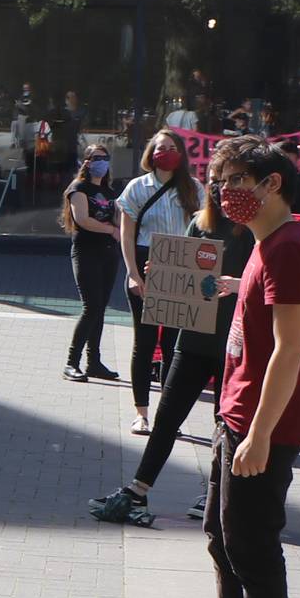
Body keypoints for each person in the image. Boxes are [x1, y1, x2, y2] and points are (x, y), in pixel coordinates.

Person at [164, 136, 300, 598]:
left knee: (253, 546)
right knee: (221, 534)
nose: (224, 192)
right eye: (220, 181)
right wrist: (241, 289)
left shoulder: (288, 249)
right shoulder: (266, 243)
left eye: (235, 180)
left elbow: (291, 350)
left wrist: (258, 435)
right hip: (236, 412)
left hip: (264, 425)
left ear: (271, 183)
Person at [93, 180, 254, 528]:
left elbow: (268, 280)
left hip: (232, 342)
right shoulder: (201, 223)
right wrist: (163, 274)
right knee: (166, 418)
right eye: (214, 179)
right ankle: (138, 488)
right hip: (193, 338)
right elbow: (188, 275)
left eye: (228, 180)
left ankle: (214, 494)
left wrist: (237, 284)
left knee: (223, 423)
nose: (220, 187)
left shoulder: (255, 231)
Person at [117, 130, 201, 434]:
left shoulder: (194, 189)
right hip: (144, 261)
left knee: (172, 345)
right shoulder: (137, 188)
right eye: (160, 147)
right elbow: (126, 234)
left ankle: (168, 416)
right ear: (151, 152)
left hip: (180, 265)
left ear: (181, 154)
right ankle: (141, 413)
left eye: (171, 147)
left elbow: (205, 230)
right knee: (145, 341)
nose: (165, 152)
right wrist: (132, 272)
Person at [60, 145, 124, 383]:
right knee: (91, 307)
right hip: (86, 253)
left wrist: (120, 220)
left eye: (105, 158)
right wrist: (111, 229)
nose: (102, 162)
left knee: (100, 309)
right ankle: (71, 362)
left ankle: (94, 362)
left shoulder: (109, 191)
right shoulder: (78, 189)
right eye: (97, 158)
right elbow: (83, 219)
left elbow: (118, 219)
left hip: (108, 254)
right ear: (86, 162)